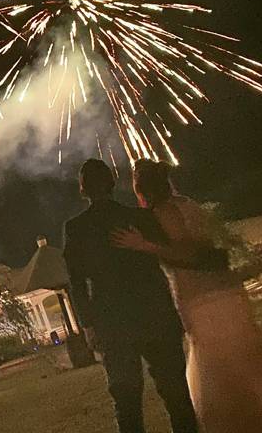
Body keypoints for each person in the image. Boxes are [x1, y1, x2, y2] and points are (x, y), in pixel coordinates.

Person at [112, 159, 262, 433]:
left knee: (219, 364)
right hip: (227, 291)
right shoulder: (189, 205)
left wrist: (145, 246)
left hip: (202, 298)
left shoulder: (165, 212)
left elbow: (191, 252)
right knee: (252, 351)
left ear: (142, 191)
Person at [63, 159, 198, 433]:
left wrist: (87, 324)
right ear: (113, 183)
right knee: (177, 396)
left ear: (83, 189)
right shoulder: (141, 218)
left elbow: (76, 282)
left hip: (113, 324)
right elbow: (170, 254)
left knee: (126, 403)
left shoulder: (76, 228)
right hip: (156, 314)